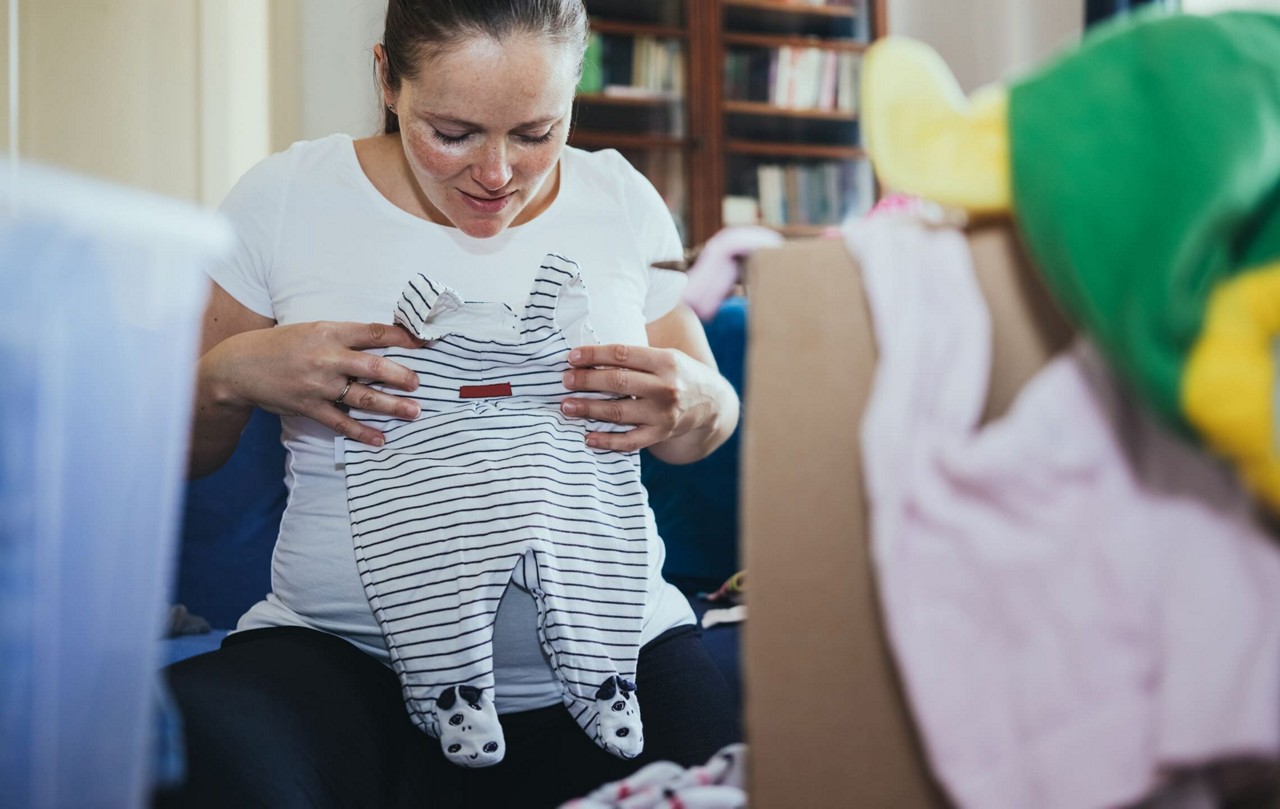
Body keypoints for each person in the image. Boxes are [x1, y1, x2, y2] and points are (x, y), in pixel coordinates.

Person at [158, 0, 741, 806]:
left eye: (537, 133)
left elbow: (699, 427)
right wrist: (229, 374)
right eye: (455, 132)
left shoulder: (619, 197)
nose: (497, 173)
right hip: (339, 659)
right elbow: (179, 455)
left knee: (735, 777)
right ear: (387, 80)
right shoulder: (285, 197)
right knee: (197, 750)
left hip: (620, 657)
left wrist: (702, 399)